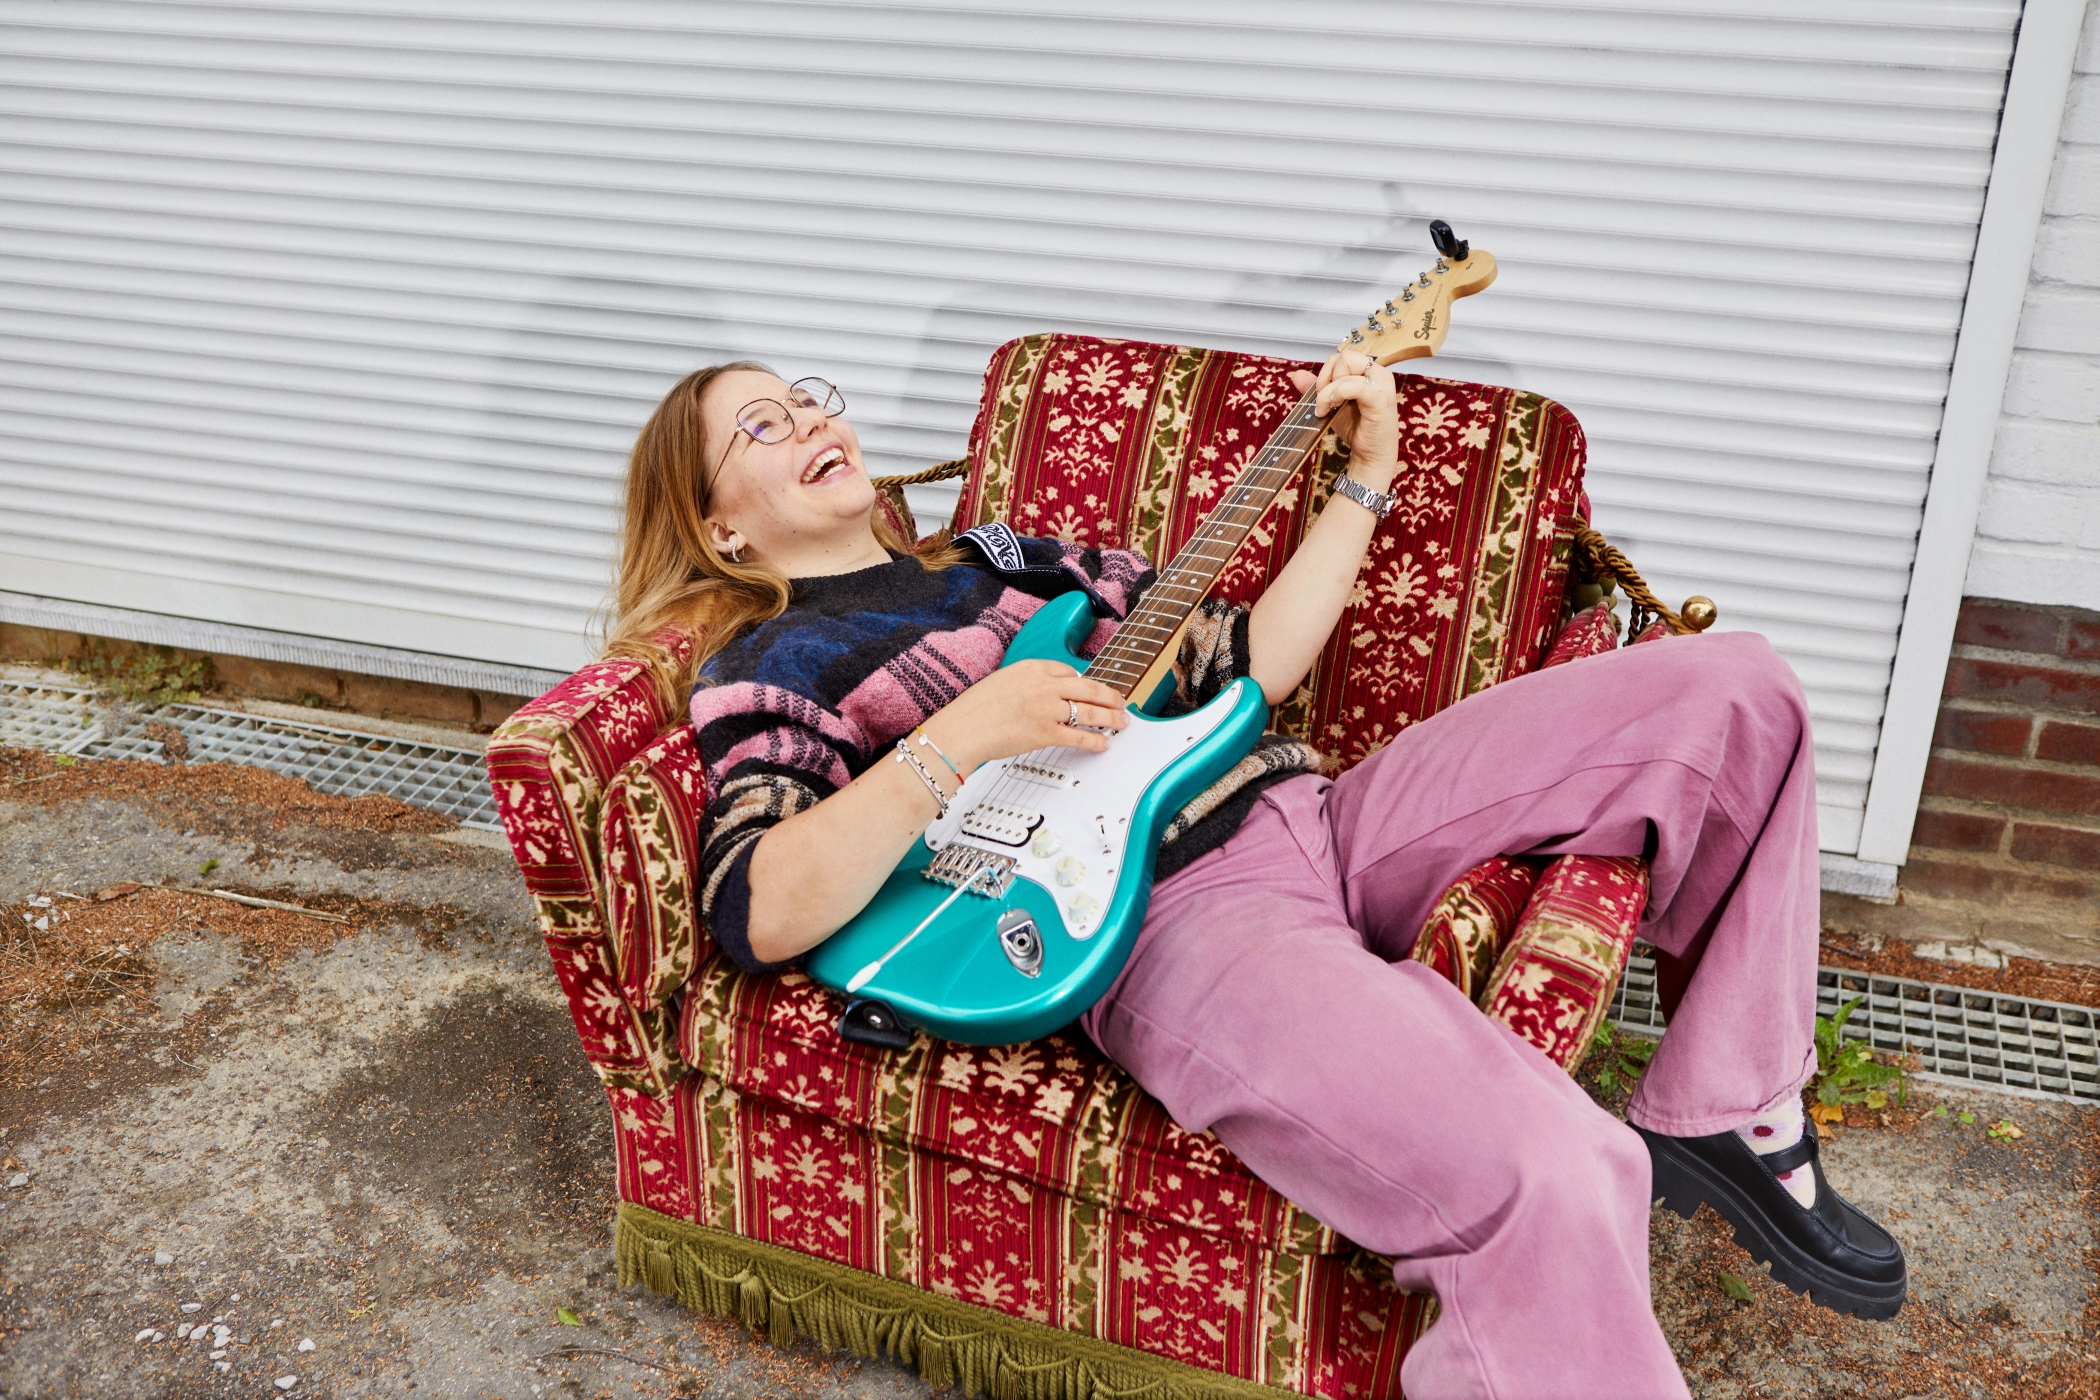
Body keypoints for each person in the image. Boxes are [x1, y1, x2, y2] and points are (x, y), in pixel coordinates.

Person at [605, 354, 1906, 1400]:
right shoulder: (772, 662)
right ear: (719, 522)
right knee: (1556, 1169)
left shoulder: (1008, 560)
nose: (806, 421)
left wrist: (1367, 476)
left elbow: (1255, 665)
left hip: (1314, 808)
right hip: (1167, 916)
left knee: (1734, 689)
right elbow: (761, 905)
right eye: (760, 427)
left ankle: (1728, 1110)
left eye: (806, 399)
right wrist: (958, 738)